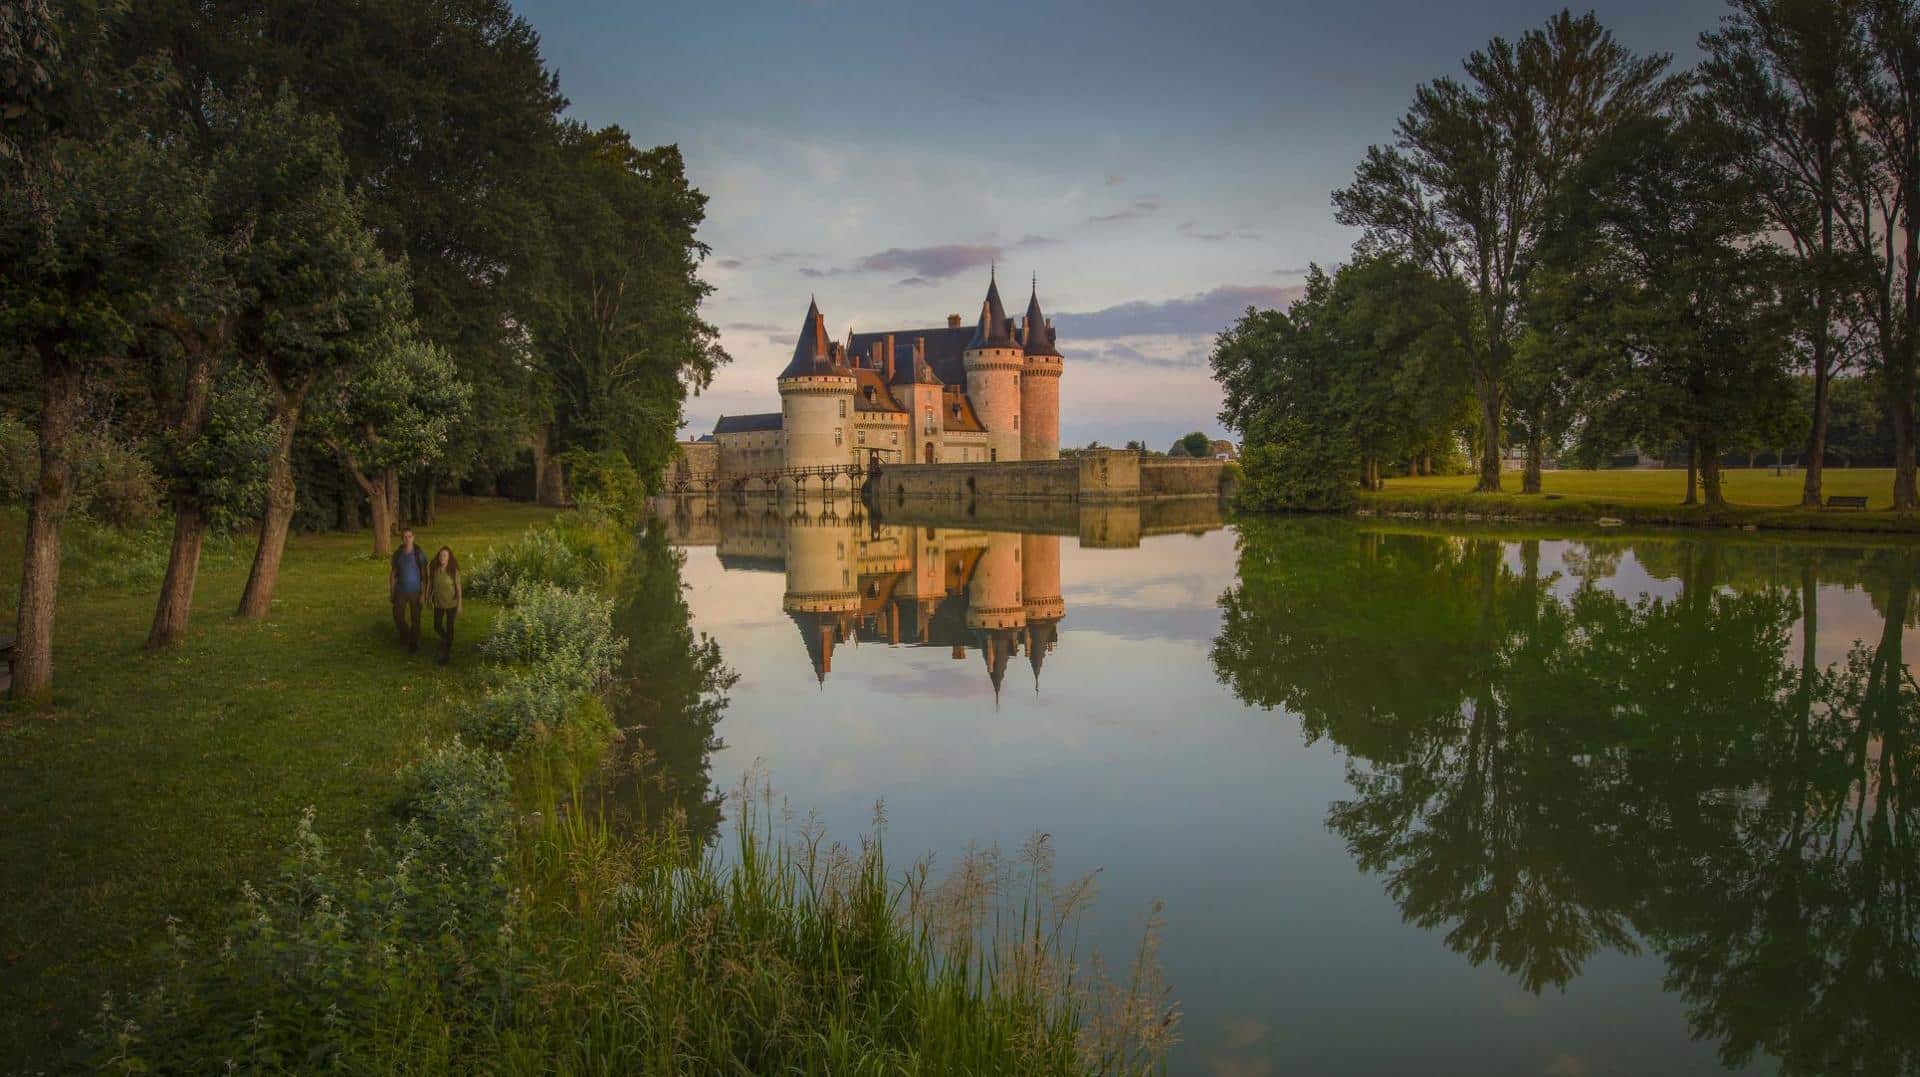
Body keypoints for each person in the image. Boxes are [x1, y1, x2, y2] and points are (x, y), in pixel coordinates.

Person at [389, 529, 427, 652]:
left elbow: (424, 575)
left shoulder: (418, 553)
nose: (407, 539)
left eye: (409, 536)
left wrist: (423, 593)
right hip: (401, 590)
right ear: (402, 538)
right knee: (397, 615)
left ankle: (414, 643)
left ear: (413, 537)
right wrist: (392, 591)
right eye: (405, 537)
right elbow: (393, 574)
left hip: (416, 591)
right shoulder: (398, 554)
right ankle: (405, 635)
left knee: (415, 618)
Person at [427, 545, 462, 666]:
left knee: (450, 626)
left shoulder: (453, 571)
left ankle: (446, 654)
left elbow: (458, 588)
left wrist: (459, 604)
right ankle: (445, 638)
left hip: (451, 603)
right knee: (436, 625)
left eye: (445, 555)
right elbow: (430, 585)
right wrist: (428, 598)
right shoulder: (435, 570)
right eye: (441, 555)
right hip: (438, 603)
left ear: (449, 558)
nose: (442, 557)